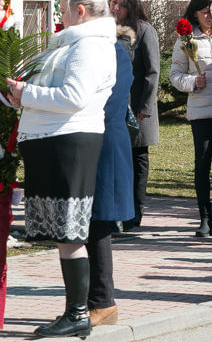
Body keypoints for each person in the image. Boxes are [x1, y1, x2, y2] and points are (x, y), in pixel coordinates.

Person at [9, 0, 117, 338]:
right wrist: (16, 95)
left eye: (62, 6)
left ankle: (78, 314)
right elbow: (48, 89)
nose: (59, 13)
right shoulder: (73, 43)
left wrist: (28, 94)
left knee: (69, 232)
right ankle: (76, 313)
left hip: (69, 141)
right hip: (53, 139)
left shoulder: (90, 46)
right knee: (64, 233)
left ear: (80, 11)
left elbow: (73, 96)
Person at [169, 0, 212, 238]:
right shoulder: (186, 40)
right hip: (201, 111)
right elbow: (174, 75)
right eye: (206, 12)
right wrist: (194, 81)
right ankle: (205, 219)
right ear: (195, 13)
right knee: (202, 165)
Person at [86, 20, 136, 327]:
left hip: (105, 143)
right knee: (90, 221)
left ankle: (103, 302)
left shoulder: (114, 53)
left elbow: (108, 102)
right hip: (93, 141)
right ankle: (91, 301)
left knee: (99, 221)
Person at [109, 0, 159, 231]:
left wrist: (144, 106)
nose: (116, 7)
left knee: (137, 159)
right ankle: (118, 209)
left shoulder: (144, 30)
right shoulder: (106, 29)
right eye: (113, 2)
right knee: (118, 160)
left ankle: (134, 213)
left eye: (122, 4)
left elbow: (152, 72)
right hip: (113, 106)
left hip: (137, 107)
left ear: (132, 6)